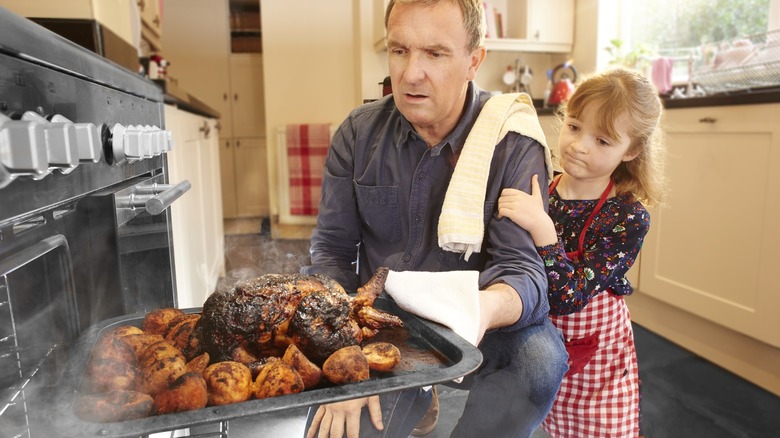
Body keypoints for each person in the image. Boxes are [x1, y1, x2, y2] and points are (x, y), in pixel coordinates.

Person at [300, 0, 568, 437]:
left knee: (539, 361)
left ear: (473, 60)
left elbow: (524, 272)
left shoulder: (513, 141)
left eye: (435, 53)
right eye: (399, 50)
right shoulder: (359, 133)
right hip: (383, 319)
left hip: (475, 313)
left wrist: (477, 312)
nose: (410, 74)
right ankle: (417, 394)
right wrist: (345, 355)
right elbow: (330, 250)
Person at [497, 67, 666, 437]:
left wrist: (542, 227)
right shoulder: (542, 185)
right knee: (547, 421)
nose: (579, 145)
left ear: (631, 150)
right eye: (574, 126)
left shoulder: (627, 216)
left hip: (598, 365)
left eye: (603, 141)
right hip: (544, 344)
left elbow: (569, 295)